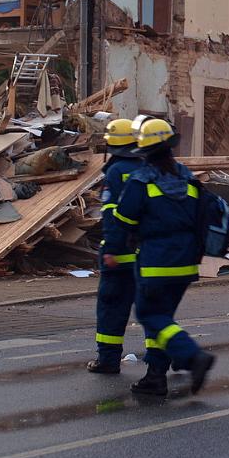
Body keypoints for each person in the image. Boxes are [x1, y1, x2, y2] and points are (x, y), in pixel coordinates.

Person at [114, 119, 215, 396]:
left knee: (149, 314)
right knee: (164, 318)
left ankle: (194, 357)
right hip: (186, 262)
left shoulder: (142, 180)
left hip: (156, 261)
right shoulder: (188, 178)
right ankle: (155, 376)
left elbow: (123, 218)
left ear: (144, 151)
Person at [87, 118, 144, 374]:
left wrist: (111, 248)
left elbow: (111, 215)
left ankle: (108, 360)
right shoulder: (147, 168)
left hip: (120, 255)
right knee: (152, 311)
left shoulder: (116, 171)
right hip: (146, 256)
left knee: (111, 307)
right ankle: (163, 360)